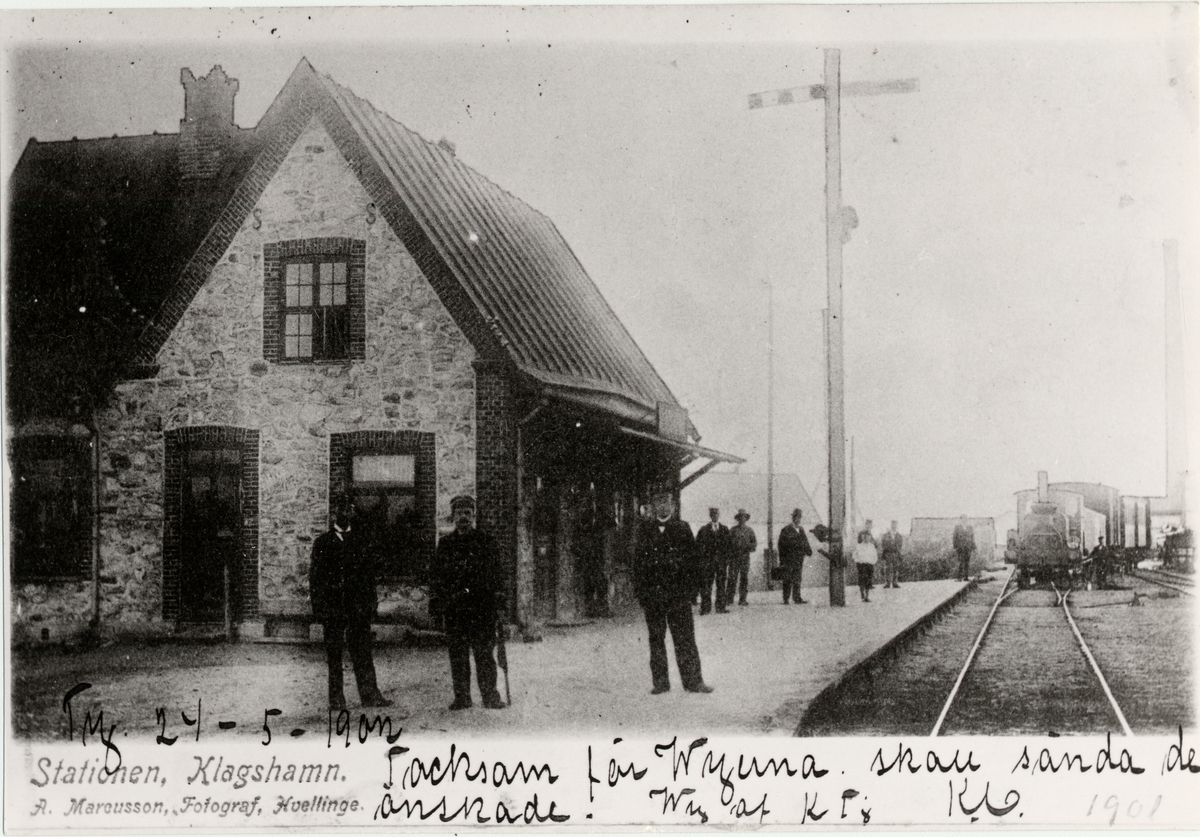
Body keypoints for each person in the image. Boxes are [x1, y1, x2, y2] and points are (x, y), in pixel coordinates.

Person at [309, 499, 392, 712]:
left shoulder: (361, 541)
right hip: (333, 607)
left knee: (362, 651)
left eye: (349, 510)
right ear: (333, 514)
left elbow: (368, 576)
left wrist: (371, 604)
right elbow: (315, 579)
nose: (345, 514)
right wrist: (320, 609)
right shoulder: (322, 543)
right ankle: (336, 699)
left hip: (357, 606)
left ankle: (370, 695)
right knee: (334, 654)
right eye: (341, 510)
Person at [429, 495, 506, 711]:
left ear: (473, 516)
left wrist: (499, 603)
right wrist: (437, 605)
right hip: (456, 610)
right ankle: (462, 697)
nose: (463, 517)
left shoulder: (486, 542)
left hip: (482, 609)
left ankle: (490, 696)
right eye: (459, 513)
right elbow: (437, 577)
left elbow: (497, 575)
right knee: (458, 656)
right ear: (453, 516)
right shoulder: (445, 545)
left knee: (484, 655)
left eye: (467, 513)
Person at [634, 492, 713, 694]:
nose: (663, 506)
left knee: (685, 639)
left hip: (678, 596)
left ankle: (693, 682)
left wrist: (692, 592)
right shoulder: (645, 530)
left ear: (673, 506)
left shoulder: (682, 528)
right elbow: (638, 564)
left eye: (667, 503)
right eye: (659, 503)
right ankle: (660, 683)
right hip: (654, 596)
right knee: (656, 640)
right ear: (654, 506)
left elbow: (694, 562)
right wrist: (642, 594)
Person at [696, 507, 731, 614]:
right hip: (708, 562)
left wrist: (726, 559)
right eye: (713, 514)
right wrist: (702, 560)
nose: (715, 516)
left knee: (721, 584)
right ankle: (705, 608)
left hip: (721, 562)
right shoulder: (704, 530)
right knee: (706, 584)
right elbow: (698, 545)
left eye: (716, 514)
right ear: (710, 515)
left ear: (718, 515)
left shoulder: (725, 529)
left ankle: (720, 607)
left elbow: (729, 546)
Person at [777, 509, 812, 604]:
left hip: (799, 558)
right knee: (787, 578)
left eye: (800, 517)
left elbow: (805, 541)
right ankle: (786, 599)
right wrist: (782, 560)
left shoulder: (801, 529)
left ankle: (797, 598)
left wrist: (809, 551)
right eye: (797, 517)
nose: (798, 519)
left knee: (797, 578)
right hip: (788, 559)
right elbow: (781, 545)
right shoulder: (786, 530)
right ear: (793, 518)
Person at [728, 509, 757, 606]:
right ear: (738, 519)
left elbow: (754, 543)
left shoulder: (749, 530)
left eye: (744, 517)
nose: (742, 519)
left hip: (745, 557)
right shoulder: (733, 530)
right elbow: (727, 543)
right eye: (740, 517)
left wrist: (748, 546)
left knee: (744, 578)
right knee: (732, 578)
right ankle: (729, 598)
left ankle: (743, 599)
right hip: (734, 558)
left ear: (746, 519)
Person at [854, 528, 879, 601]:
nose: (866, 538)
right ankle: (862, 594)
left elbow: (875, 556)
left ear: (870, 537)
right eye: (864, 536)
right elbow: (855, 555)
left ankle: (867, 596)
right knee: (862, 580)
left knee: (868, 580)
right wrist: (858, 561)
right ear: (862, 537)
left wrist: (873, 562)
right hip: (861, 565)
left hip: (869, 565)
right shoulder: (859, 546)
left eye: (868, 536)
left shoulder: (872, 546)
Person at [952, 515, 976, 582]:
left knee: (967, 562)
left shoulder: (970, 528)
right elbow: (954, 537)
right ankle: (959, 578)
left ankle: (966, 577)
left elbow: (972, 537)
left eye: (965, 519)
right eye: (963, 519)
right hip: (960, 547)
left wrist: (973, 547)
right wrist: (955, 547)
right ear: (960, 520)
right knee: (960, 562)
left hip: (968, 547)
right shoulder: (957, 527)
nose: (964, 520)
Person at [880, 520, 903, 588]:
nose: (894, 526)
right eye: (893, 524)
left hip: (895, 553)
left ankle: (895, 583)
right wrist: (887, 551)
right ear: (891, 525)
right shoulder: (886, 535)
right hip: (888, 553)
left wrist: (897, 551)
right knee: (888, 568)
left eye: (895, 525)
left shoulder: (899, 535)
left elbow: (900, 544)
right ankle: (887, 583)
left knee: (896, 568)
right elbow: (883, 543)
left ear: (897, 526)